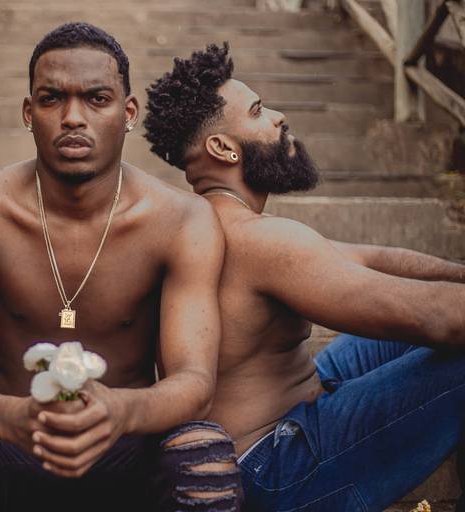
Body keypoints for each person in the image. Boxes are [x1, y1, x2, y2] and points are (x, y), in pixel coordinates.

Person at [0, 23, 243, 512]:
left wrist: (120, 411)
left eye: (97, 99)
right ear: (28, 112)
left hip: (125, 445)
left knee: (203, 451)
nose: (73, 117)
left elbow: (194, 380)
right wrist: (14, 416)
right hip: (10, 441)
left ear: (128, 113)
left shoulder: (182, 220)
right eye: (52, 99)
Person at [143, 42, 465, 511]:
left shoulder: (217, 225)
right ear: (223, 148)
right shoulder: (262, 241)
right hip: (270, 469)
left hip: (289, 410)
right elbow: (439, 318)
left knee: (402, 334)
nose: (278, 117)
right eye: (258, 111)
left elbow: (372, 257)